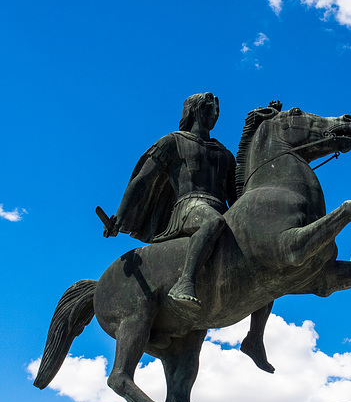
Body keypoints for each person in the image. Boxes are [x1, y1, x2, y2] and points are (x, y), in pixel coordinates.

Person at [104, 92, 275, 372]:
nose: (215, 113)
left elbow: (237, 196)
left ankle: (254, 337)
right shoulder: (173, 142)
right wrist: (120, 216)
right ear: (194, 110)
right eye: (210, 108)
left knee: (264, 256)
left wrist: (258, 130)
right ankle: (185, 282)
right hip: (189, 207)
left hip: (221, 208)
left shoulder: (224, 153)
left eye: (218, 109)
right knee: (213, 223)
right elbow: (142, 181)